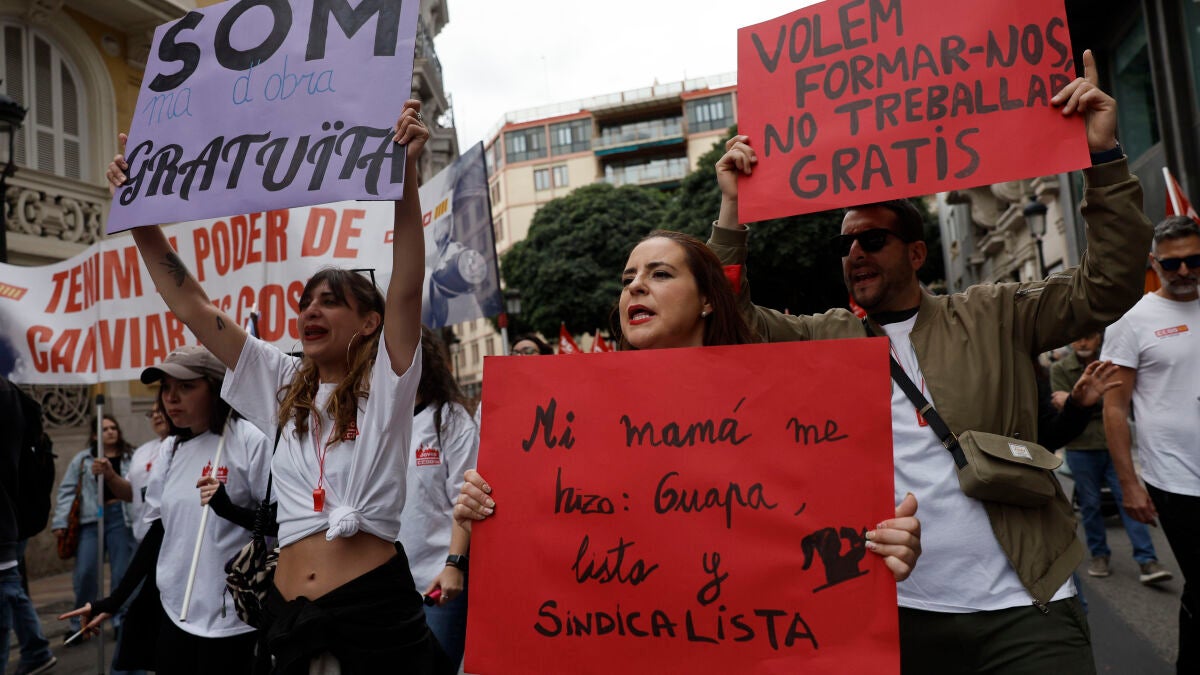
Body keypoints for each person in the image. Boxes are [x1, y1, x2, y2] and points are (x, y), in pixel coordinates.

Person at [694, 49, 1150, 672]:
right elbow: (730, 322)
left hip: (1026, 607)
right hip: (895, 611)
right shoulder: (825, 337)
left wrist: (1102, 156)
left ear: (914, 254)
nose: (855, 253)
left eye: (872, 239)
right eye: (845, 244)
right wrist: (732, 210)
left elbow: (1109, 284)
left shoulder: (994, 312)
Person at [106, 101, 449, 674]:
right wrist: (140, 216)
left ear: (370, 322)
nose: (310, 311)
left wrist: (404, 177)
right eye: (305, 303)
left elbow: (408, 284)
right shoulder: (281, 383)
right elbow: (193, 306)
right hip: (288, 623)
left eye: (330, 302)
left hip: (372, 620)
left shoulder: (388, 380)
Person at [455, 229, 924, 583]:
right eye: (627, 279)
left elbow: (827, 533)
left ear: (706, 301)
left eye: (659, 274)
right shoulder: (568, 420)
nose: (636, 287)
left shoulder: (786, 407)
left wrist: (885, 547)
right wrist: (489, 509)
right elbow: (553, 534)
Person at [61, 346, 272, 674]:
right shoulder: (170, 449)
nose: (171, 398)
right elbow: (160, 531)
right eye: (166, 388)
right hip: (174, 612)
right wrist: (114, 600)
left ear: (216, 388)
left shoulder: (251, 440)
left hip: (232, 618)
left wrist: (228, 510)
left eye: (186, 387)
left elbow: (281, 524)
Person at [1101, 214, 1200, 673]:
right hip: (1175, 479)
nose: (1184, 271)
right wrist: (1129, 484)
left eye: (1194, 260)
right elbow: (1114, 408)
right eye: (1172, 263)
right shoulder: (1133, 321)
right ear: (1153, 262)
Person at [1051, 333, 1172, 584]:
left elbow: (1119, 402)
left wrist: (1081, 402)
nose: (1082, 342)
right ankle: (1099, 555)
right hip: (1081, 446)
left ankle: (1147, 560)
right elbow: (1062, 406)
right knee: (1090, 504)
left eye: (1088, 337)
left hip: (1113, 443)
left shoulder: (1113, 364)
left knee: (1130, 498)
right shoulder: (1060, 368)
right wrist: (1100, 404)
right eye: (1077, 338)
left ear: (1098, 339)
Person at [399, 327, 479, 669]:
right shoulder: (376, 424)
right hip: (388, 587)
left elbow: (466, 499)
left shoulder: (449, 419)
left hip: (438, 585)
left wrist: (454, 566)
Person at [51, 413, 136, 642]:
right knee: (86, 573)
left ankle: (119, 620)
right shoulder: (83, 460)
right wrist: (60, 522)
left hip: (121, 518)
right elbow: (67, 491)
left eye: (113, 428)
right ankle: (80, 624)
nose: (110, 432)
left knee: (121, 574)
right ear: (95, 435)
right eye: (104, 429)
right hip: (91, 519)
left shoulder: (130, 457)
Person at [1, 376, 57, 675]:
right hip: (15, 520)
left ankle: (36, 649)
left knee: (10, 587)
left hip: (11, 521)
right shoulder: (12, 396)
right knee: (13, 587)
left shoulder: (6, 396)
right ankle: (36, 649)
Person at [129, 402, 170, 543]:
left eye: (160, 411)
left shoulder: (184, 445)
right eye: (152, 414)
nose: (156, 416)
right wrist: (110, 476)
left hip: (169, 531)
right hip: (142, 531)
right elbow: (130, 491)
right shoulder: (141, 451)